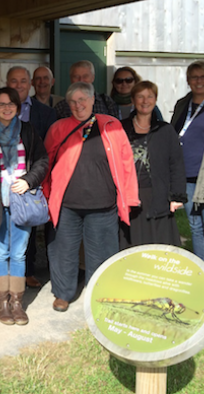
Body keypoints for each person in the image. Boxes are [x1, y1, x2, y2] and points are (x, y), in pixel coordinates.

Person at [43, 82, 138, 313]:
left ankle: (100, 293)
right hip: (67, 204)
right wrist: (46, 195)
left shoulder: (111, 126)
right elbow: (45, 162)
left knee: (102, 252)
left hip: (102, 204)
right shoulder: (58, 128)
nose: (78, 105)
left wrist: (130, 196)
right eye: (73, 101)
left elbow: (126, 163)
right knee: (63, 251)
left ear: (93, 99)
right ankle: (63, 294)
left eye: (83, 99)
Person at [0, 87, 49, 326]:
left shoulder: (28, 131)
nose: (6, 108)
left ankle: (17, 303)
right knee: (0, 252)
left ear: (17, 107)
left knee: (18, 253)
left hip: (22, 202)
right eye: (2, 104)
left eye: (11, 104)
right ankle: (2, 302)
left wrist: (28, 180)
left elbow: (42, 161)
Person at [119, 81, 186, 248]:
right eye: (140, 96)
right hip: (130, 195)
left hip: (158, 195)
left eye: (149, 96)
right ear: (133, 100)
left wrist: (177, 196)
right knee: (131, 244)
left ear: (155, 100)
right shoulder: (121, 128)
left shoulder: (165, 130)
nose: (145, 101)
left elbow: (176, 163)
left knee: (158, 245)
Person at [170, 60, 204, 267]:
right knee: (195, 226)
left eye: (203, 76)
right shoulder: (183, 104)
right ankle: (203, 270)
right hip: (186, 175)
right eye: (194, 77)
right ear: (188, 80)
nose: (199, 81)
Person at [53, 60, 120, 120]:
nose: (81, 80)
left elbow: (116, 129)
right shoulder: (61, 107)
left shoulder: (107, 102)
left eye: (85, 76)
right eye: (76, 77)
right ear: (71, 79)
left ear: (93, 78)